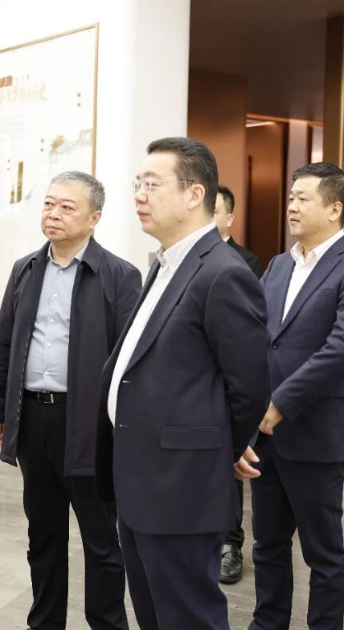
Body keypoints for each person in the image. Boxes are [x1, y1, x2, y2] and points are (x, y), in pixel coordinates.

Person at [97, 137, 270, 630]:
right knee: (153, 613)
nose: (139, 195)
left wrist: (218, 448)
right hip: (142, 477)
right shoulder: (167, 263)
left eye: (152, 184)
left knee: (188, 616)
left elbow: (250, 386)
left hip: (180, 484)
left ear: (195, 195)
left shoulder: (222, 272)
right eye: (138, 183)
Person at [0, 171, 140, 630]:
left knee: (101, 539)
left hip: (91, 424)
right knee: (43, 535)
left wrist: (123, 429)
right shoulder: (26, 269)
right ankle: (45, 622)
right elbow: (5, 343)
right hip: (35, 418)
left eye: (67, 207)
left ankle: (107, 624)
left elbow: (130, 362)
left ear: (94, 218)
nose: (53, 214)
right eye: (49, 204)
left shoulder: (119, 275)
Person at [236, 162, 344, 630]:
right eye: (291, 197)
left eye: (303, 198)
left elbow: (343, 349)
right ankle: (267, 623)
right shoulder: (279, 264)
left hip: (315, 433)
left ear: (335, 208)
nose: (292, 206)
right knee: (267, 545)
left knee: (324, 552)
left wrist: (280, 404)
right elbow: (259, 337)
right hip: (264, 434)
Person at [212, 183, 262, 585]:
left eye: (214, 210)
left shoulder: (247, 262)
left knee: (231, 464)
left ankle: (231, 544)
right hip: (195, 385)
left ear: (229, 217)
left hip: (228, 379)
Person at [215, 185, 262, 276]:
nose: (206, 217)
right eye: (205, 211)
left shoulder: (247, 260)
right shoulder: (193, 254)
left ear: (229, 220)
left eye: (214, 211)